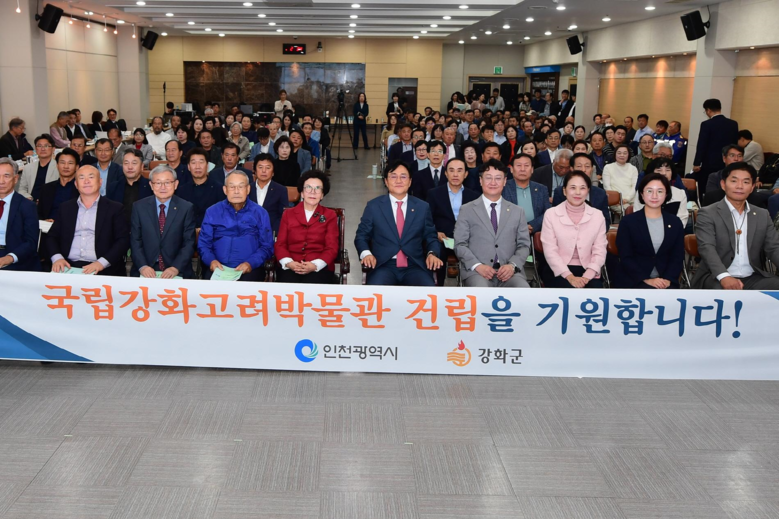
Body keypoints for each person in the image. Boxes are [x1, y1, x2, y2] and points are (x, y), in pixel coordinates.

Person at [692, 162, 779, 290]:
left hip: (753, 277)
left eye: (746, 182)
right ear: (723, 184)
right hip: (715, 277)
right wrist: (724, 276)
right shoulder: (708, 213)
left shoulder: (762, 214)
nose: (739, 186)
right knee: (723, 292)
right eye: (734, 181)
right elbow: (707, 248)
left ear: (752, 187)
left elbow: (774, 248)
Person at [355, 160, 443, 286]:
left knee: (428, 293)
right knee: (375, 294)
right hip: (383, 265)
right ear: (386, 181)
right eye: (393, 176)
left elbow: (431, 236)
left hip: (414, 265)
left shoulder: (422, 207)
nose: (398, 181)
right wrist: (366, 254)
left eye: (403, 177)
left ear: (410, 181)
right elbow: (361, 236)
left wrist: (432, 253)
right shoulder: (374, 206)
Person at [453, 159, 530, 288]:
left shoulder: (518, 211)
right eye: (488, 178)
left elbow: (524, 245)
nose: (493, 182)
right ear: (480, 180)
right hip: (477, 272)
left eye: (498, 178)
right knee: (481, 291)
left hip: (510, 273)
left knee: (523, 290)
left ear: (505, 181)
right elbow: (460, 244)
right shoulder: (467, 210)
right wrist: (478, 266)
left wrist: (512, 266)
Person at [47, 165, 129, 276]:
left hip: (103, 267)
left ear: (100, 182)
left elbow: (123, 240)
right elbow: (52, 236)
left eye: (91, 177)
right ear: (76, 184)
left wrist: (101, 263)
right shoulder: (65, 208)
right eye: (81, 178)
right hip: (68, 266)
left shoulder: (115, 208)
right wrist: (57, 258)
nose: (86, 181)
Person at [198, 170, 274, 282]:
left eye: (241, 187)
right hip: (218, 267)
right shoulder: (212, 212)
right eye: (232, 187)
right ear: (225, 190)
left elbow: (266, 247)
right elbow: (204, 244)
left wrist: (250, 263)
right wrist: (211, 261)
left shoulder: (260, 213)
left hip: (250, 269)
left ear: (248, 189)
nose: (236, 191)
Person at [617, 173, 685, 289]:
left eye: (660, 191)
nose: (654, 196)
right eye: (649, 191)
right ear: (642, 194)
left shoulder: (675, 222)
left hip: (666, 281)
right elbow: (626, 256)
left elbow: (677, 256)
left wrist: (668, 279)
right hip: (635, 280)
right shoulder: (628, 222)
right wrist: (646, 279)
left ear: (666, 194)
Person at [541, 170, 607, 288]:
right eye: (572, 187)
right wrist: (569, 276)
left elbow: (600, 250)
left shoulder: (597, 215)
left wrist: (587, 276)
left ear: (588, 191)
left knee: (594, 290)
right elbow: (550, 250)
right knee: (567, 289)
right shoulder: (551, 214)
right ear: (564, 191)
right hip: (558, 269)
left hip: (588, 268)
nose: (577, 192)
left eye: (582, 188)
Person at [130, 164, 196, 279]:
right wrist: (143, 266)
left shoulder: (186, 208)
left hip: (176, 267)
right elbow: (135, 240)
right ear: (151, 185)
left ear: (176, 184)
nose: (163, 187)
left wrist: (175, 267)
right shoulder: (139, 207)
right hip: (146, 266)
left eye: (167, 182)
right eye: (158, 183)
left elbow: (189, 242)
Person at [274, 170, 338, 284]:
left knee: (314, 285)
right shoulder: (288, 214)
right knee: (288, 284)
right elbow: (280, 244)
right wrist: (289, 263)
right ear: (302, 193)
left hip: (319, 267)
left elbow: (331, 247)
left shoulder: (330, 215)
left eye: (318, 188)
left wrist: (315, 265)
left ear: (322, 195)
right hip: (291, 265)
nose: (313, 192)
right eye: (308, 188)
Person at [426, 158, 479, 285]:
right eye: (451, 170)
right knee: (435, 250)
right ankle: (437, 288)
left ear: (466, 174)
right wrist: (436, 233)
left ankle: (473, 286)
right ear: (446, 173)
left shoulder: (474, 196)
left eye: (459, 171)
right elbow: (427, 220)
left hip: (467, 240)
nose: (455, 174)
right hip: (442, 239)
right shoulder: (434, 194)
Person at [692, 98, 739, 196]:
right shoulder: (733, 124)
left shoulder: (706, 124)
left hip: (710, 162)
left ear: (708, 110)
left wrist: (697, 163)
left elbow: (702, 144)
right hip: (727, 161)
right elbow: (734, 145)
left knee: (708, 187)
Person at [0, 158, 40, 271]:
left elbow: (31, 242)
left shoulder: (27, 206)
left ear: (15, 179)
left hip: (16, 258)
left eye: (6, 176)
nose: (1, 181)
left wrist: (9, 258)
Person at [552, 153, 611, 227]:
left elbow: (606, 222)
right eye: (579, 166)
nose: (583, 170)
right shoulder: (560, 192)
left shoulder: (600, 193)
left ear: (592, 169)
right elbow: (556, 220)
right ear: (572, 169)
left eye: (587, 166)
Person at [174, 148, 226, 228]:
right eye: (193, 163)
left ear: (207, 166)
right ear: (188, 167)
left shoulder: (219, 189)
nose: (197, 167)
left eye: (201, 162)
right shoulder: (181, 191)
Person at [502, 153, 550, 234]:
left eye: (526, 166)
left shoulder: (541, 189)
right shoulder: (503, 188)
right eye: (519, 165)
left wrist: (532, 226)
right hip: (509, 233)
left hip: (535, 233)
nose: (522, 169)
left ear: (532, 169)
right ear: (511, 169)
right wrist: (520, 227)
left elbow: (547, 212)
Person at [633, 157, 688, 226]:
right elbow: (637, 214)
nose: (664, 173)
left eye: (668, 170)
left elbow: (682, 218)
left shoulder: (680, 193)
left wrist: (673, 230)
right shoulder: (642, 191)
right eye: (659, 170)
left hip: (672, 229)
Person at [106, 148, 154, 226]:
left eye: (134, 163)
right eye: (126, 163)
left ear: (142, 166)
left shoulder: (151, 187)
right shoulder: (113, 187)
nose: (130, 167)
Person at [248, 153, 287, 234]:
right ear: (255, 171)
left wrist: (272, 232)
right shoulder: (247, 189)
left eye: (268, 167)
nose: (264, 171)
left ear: (273, 172)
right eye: (260, 167)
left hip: (271, 231)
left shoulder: (281, 190)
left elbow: (283, 216)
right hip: (248, 231)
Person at [37, 148, 80, 221]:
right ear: (57, 165)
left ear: (77, 167)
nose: (66, 166)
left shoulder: (81, 189)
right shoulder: (46, 188)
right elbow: (39, 214)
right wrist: (44, 221)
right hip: (48, 226)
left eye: (70, 163)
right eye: (62, 163)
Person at [17, 135, 58, 201]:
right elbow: (22, 189)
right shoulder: (28, 168)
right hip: (31, 202)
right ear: (36, 149)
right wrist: (29, 198)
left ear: (53, 149)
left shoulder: (58, 167)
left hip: (51, 202)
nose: (43, 149)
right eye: (39, 146)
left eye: (46, 146)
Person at [602, 144, 638, 210]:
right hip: (616, 201)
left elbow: (635, 186)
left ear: (628, 155)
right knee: (628, 210)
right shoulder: (608, 167)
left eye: (625, 153)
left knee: (640, 210)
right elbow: (607, 186)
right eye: (619, 153)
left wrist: (627, 199)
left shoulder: (633, 168)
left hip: (632, 199)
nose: (622, 155)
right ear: (615, 154)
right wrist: (616, 199)